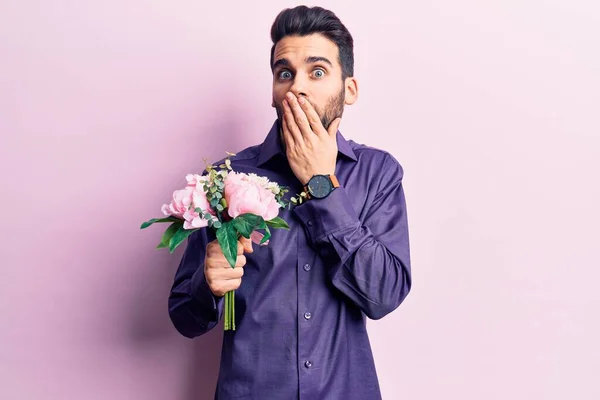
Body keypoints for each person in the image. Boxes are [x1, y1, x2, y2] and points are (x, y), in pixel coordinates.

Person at [168, 5, 412, 399]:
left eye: (317, 72)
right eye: (285, 73)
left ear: (348, 89)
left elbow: (382, 295)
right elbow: (185, 316)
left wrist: (321, 183)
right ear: (273, 92)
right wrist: (207, 286)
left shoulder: (377, 174)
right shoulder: (225, 177)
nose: (297, 86)